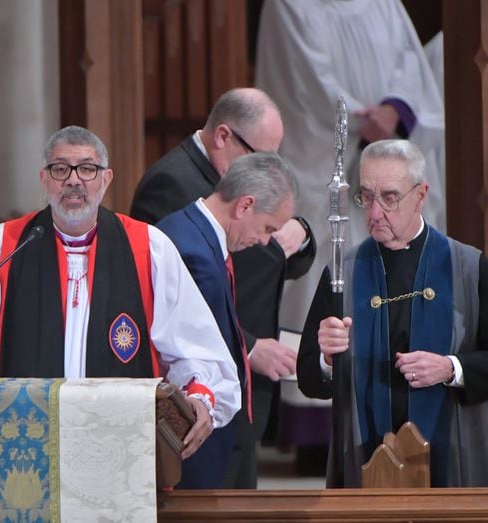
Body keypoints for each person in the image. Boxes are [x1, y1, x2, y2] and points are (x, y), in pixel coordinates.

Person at [0, 125, 241, 458]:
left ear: (106, 179)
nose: (74, 180)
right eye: (60, 169)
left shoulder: (149, 247)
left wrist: (201, 394)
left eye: (87, 169)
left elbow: (192, 343)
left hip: (121, 448)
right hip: (23, 446)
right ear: (44, 179)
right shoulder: (3, 245)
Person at [297, 139, 488, 487]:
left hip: (450, 450)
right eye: (366, 196)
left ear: (421, 195)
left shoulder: (467, 267)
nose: (375, 212)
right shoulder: (343, 274)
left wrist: (450, 367)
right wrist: (326, 359)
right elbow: (309, 378)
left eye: (390, 197)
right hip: (364, 452)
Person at [130, 87, 315, 488]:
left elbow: (263, 264)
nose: (267, 239)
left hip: (224, 408)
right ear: (224, 136)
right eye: (266, 228)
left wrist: (299, 234)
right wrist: (248, 347)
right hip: (194, 420)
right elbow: (180, 331)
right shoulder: (177, 208)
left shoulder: (217, 226)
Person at [256, 0, 446, 337]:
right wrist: (360, 119)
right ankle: (318, 377)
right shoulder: (289, 6)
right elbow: (305, 80)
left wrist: (394, 110)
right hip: (325, 158)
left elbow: (408, 57)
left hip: (390, 146)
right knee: (326, 257)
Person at [158, 152, 298, 488]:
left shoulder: (194, 233)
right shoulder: (192, 252)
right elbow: (195, 353)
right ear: (244, 205)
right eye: (268, 228)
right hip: (193, 437)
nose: (265, 240)